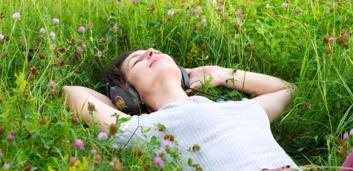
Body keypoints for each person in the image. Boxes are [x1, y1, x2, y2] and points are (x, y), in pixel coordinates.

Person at [62, 48, 301, 170]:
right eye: (137, 61)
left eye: (152, 51)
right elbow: (72, 92)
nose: (151, 52)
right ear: (130, 95)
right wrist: (123, 106)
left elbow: (286, 90)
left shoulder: (241, 109)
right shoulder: (147, 130)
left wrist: (219, 73)